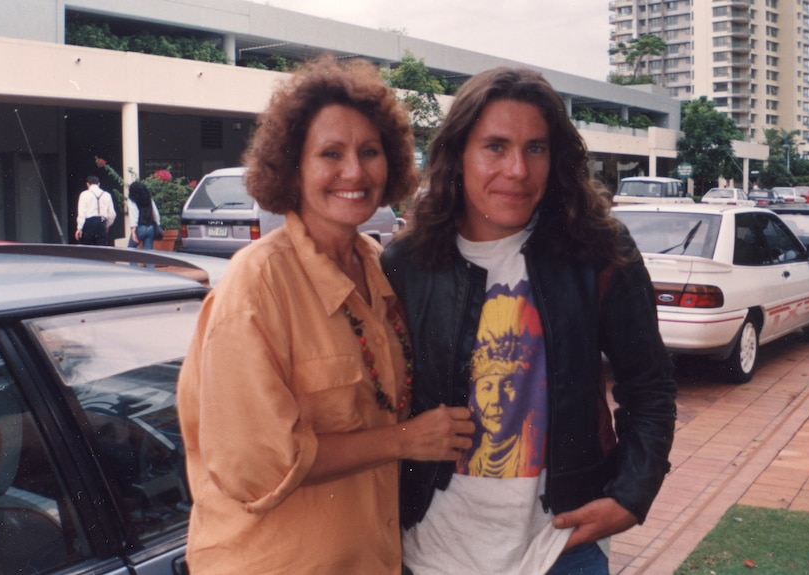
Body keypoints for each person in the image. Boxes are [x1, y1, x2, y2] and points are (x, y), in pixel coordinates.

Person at [176, 57, 475, 575]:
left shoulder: (378, 271)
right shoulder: (258, 283)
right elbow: (259, 464)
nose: (354, 172)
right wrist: (407, 440)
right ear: (292, 167)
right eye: (330, 154)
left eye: (369, 152)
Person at [381, 67, 677, 575]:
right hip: (430, 549)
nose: (517, 169)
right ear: (458, 157)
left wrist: (631, 496)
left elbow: (649, 387)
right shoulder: (407, 263)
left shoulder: (598, 250)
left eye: (535, 148)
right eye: (496, 146)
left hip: (561, 549)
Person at [127, 180, 161, 267]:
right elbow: (155, 213)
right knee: (149, 254)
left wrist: (133, 231)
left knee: (130, 250)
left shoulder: (132, 200)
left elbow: (134, 214)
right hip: (150, 227)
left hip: (140, 228)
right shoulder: (149, 198)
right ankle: (150, 273)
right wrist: (157, 224)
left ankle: (134, 270)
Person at [75, 175, 116, 245]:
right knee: (101, 249)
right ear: (99, 184)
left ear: (87, 184)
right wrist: (107, 224)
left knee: (88, 249)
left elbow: (82, 213)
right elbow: (112, 214)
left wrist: (79, 228)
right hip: (102, 220)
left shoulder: (84, 194)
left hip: (89, 221)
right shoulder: (107, 195)